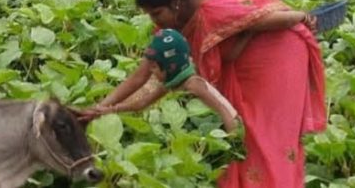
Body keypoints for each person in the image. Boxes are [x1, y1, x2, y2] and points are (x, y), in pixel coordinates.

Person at [86, 0, 326, 187]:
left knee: (266, 138)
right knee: (250, 138)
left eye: (156, 13)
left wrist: (301, 17)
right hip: (245, 63)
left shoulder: (211, 11)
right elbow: (142, 77)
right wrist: (101, 108)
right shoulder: (172, 33)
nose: (154, 21)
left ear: (175, 1)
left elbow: (272, 17)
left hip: (278, 56)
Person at [81, 28, 241, 133]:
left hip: (229, 127)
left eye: (154, 67)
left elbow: (223, 110)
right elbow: (142, 103)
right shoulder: (172, 83)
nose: (150, 72)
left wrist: (234, 142)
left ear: (170, 66)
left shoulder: (194, 84)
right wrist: (111, 109)